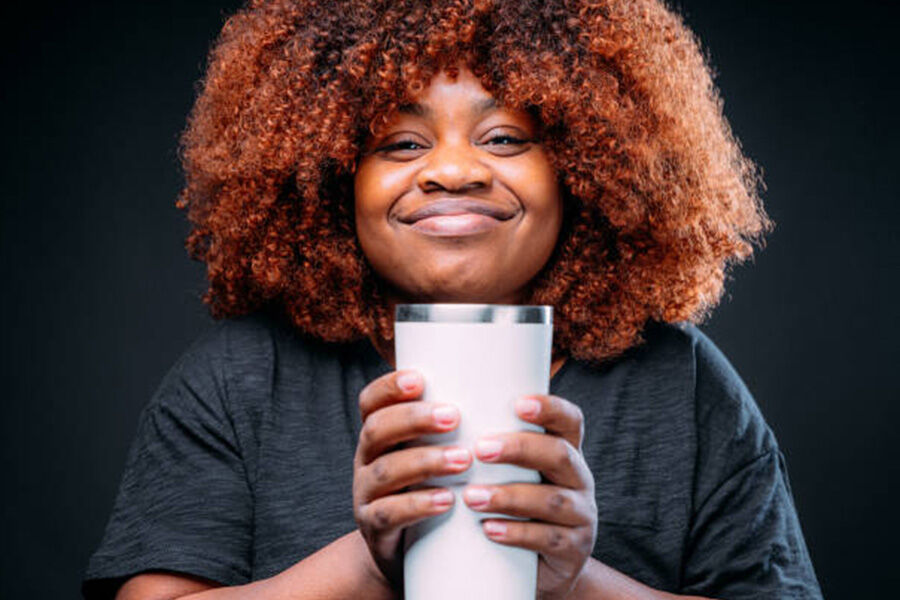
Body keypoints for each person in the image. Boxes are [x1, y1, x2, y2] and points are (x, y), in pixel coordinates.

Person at [83, 0, 823, 598]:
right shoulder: (239, 380)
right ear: (331, 178)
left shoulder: (684, 385)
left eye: (504, 137)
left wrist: (573, 582)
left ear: (583, 168)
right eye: (401, 144)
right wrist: (368, 565)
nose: (453, 170)